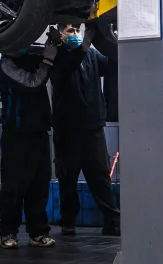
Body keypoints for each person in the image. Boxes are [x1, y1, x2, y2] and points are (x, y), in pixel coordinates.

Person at [51, 23, 120, 236]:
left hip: (92, 127)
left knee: (100, 176)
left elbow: (111, 63)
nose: (75, 34)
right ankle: (68, 221)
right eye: (69, 31)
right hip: (68, 129)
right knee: (67, 177)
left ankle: (112, 220)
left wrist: (109, 37)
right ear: (61, 35)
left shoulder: (91, 54)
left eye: (76, 31)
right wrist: (87, 43)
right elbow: (68, 66)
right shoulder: (56, 55)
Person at [0, 35, 60, 250]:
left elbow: (61, 65)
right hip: (16, 134)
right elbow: (33, 83)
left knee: (39, 186)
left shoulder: (30, 57)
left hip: (39, 132)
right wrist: (48, 59)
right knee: (13, 187)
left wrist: (64, 43)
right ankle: (8, 232)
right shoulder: (6, 65)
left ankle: (38, 232)